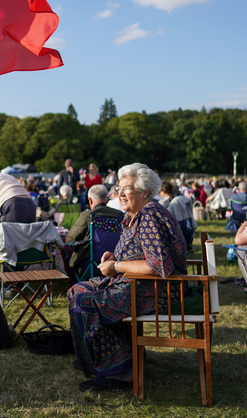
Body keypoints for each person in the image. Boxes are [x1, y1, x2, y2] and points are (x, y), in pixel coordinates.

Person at [68, 163, 187, 392]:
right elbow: (142, 252)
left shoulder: (149, 215)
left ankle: (119, 371)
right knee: (77, 290)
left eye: (127, 188)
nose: (120, 193)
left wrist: (117, 265)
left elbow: (157, 265)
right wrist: (115, 255)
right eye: (119, 187)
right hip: (135, 284)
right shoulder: (134, 215)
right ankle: (109, 356)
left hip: (156, 290)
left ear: (144, 192)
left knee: (84, 302)